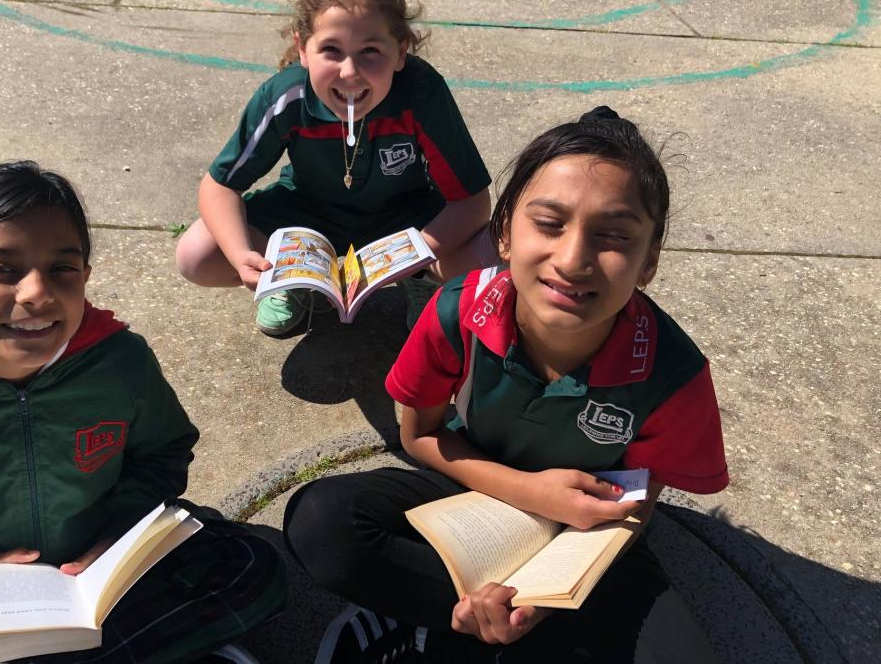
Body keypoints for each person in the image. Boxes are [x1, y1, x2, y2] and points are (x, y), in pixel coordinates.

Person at [283, 107, 729, 663]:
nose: (573, 259)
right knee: (324, 523)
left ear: (648, 263)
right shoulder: (458, 311)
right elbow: (420, 436)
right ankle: (453, 619)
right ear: (503, 234)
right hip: (473, 494)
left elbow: (638, 500)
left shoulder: (672, 371)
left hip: (586, 534)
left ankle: (487, 626)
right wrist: (532, 493)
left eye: (614, 236)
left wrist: (544, 598)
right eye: (549, 224)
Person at [0, 161, 286, 664]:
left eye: (62, 269)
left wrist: (115, 534)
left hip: (107, 564)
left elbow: (162, 453)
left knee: (253, 567)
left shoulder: (121, 363)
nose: (37, 292)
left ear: (85, 278)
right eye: (2, 270)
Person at [175, 0, 493, 335]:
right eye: (331, 49)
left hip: (403, 221)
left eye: (370, 51)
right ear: (302, 48)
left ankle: (420, 279)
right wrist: (242, 254)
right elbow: (220, 186)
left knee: (498, 254)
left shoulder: (420, 93)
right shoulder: (287, 98)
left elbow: (472, 201)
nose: (349, 72)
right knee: (197, 254)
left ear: (400, 51)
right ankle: (293, 278)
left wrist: (416, 253)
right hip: (308, 222)